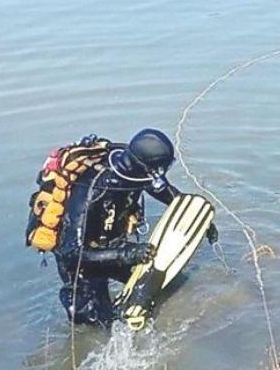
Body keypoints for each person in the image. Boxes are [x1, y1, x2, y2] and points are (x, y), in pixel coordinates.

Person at [49, 129, 217, 326]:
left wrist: (198, 220)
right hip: (83, 262)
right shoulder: (90, 190)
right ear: (143, 167)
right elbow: (71, 253)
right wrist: (125, 254)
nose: (157, 177)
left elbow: (166, 193)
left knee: (165, 286)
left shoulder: (137, 173)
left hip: (116, 246)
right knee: (97, 324)